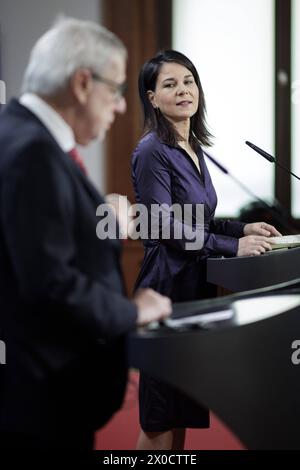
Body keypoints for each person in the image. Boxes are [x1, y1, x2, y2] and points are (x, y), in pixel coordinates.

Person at [0, 18, 172, 450]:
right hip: (44, 397)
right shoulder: (32, 152)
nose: (119, 106)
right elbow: (49, 283)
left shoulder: (18, 132)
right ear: (81, 83)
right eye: (114, 90)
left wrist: (98, 219)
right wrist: (132, 311)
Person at [131, 50, 281, 450]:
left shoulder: (193, 147)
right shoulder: (151, 151)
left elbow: (198, 220)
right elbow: (164, 226)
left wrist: (241, 227)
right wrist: (233, 246)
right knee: (160, 416)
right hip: (167, 290)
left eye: (189, 81)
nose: (183, 90)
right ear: (152, 97)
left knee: (182, 405)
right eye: (170, 84)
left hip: (196, 287)